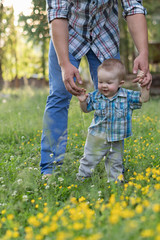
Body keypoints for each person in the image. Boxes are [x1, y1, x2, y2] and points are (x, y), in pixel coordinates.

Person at [40, 0, 152, 176]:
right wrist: (64, 64)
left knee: (114, 95)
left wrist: (143, 52)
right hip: (68, 34)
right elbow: (57, 13)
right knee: (59, 95)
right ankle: (50, 169)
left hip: (104, 33)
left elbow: (133, 7)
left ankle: (114, 167)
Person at [76, 59, 149, 182]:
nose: (104, 85)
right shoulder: (95, 96)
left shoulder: (127, 96)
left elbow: (144, 99)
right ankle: (81, 178)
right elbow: (86, 110)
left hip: (116, 138)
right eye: (100, 82)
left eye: (109, 82)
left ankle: (115, 184)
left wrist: (144, 87)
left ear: (120, 83)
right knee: (89, 159)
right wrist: (82, 101)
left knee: (115, 162)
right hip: (96, 136)